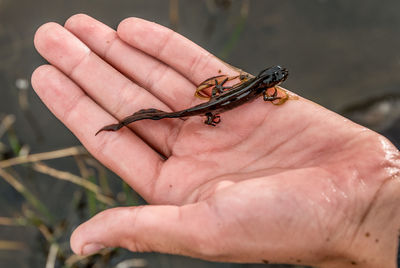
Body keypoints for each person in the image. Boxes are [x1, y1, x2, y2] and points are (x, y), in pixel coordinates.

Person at [31, 14, 400, 268]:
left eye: (279, 78)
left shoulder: (254, 87)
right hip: (210, 106)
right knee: (179, 113)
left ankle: (138, 119)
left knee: (188, 111)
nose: (279, 80)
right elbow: (260, 96)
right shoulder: (260, 91)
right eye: (278, 78)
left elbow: (247, 94)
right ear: (268, 82)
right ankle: (130, 121)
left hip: (214, 102)